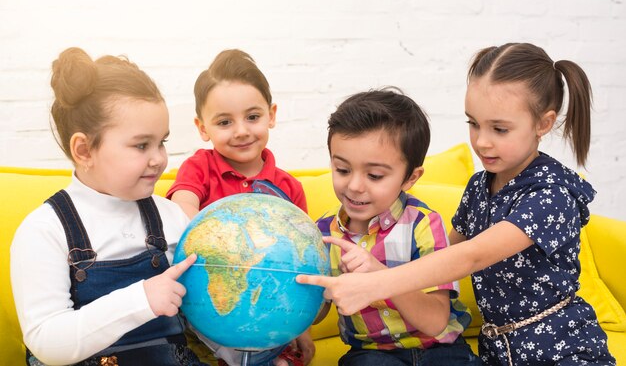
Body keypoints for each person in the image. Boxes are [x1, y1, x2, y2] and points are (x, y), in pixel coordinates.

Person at [298, 43, 616, 365]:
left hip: (558, 348)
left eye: (500, 129)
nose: (481, 141)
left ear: (543, 124)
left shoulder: (552, 195)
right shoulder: (480, 186)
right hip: (499, 352)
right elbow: (441, 257)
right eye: (473, 124)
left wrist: (375, 283)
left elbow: (470, 256)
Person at [10, 47, 207, 365]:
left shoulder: (170, 216)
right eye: (141, 145)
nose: (158, 158)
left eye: (162, 142)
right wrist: (141, 299)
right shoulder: (44, 230)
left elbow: (206, 311)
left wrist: (255, 349)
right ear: (84, 149)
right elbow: (47, 341)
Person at [312, 89, 481, 366]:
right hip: (371, 355)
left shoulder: (423, 224)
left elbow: (436, 321)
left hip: (440, 350)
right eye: (342, 170)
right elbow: (314, 312)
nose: (354, 185)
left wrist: (380, 277)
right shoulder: (322, 232)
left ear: (410, 178)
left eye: (375, 175)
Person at [167, 49, 312, 366]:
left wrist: (300, 325)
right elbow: (182, 205)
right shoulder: (199, 167)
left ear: (271, 115)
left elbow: (302, 265)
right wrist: (223, 246)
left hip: (266, 315)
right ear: (202, 128)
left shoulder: (288, 189)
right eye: (224, 122)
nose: (242, 130)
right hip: (206, 311)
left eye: (253, 117)